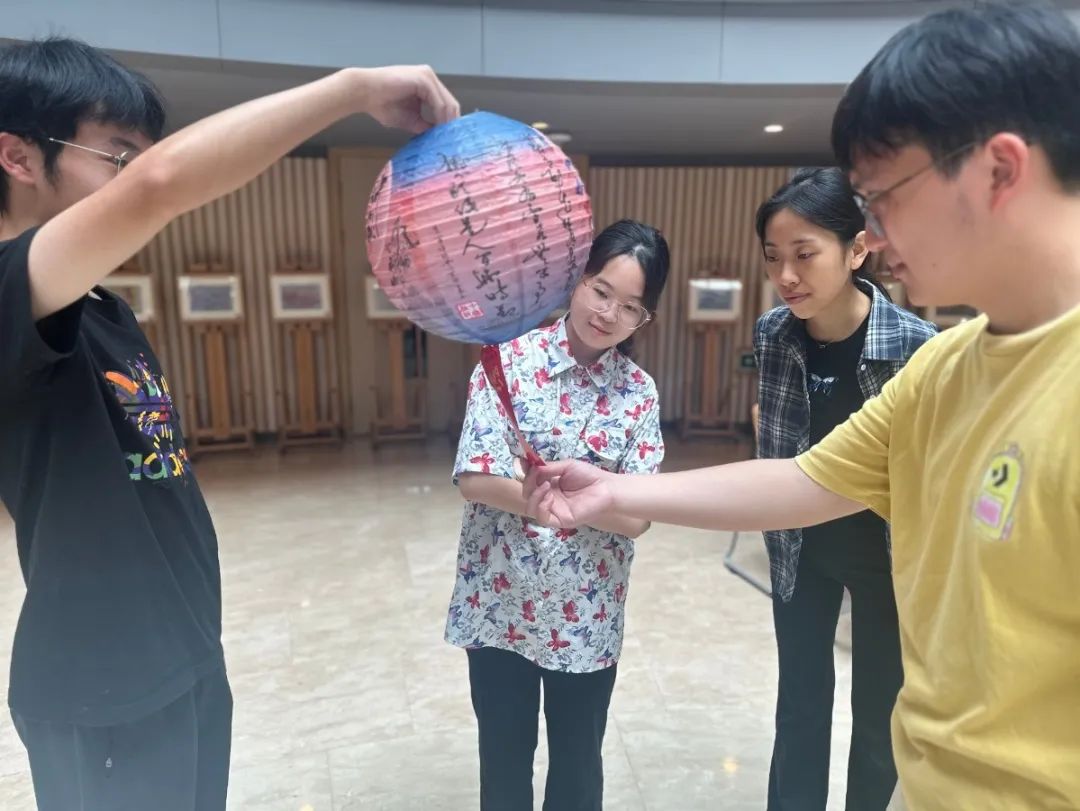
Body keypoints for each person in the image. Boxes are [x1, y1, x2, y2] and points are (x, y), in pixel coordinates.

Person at [524, 3, 1080, 808]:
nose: (874, 234)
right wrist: (613, 489)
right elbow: (804, 478)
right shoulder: (946, 368)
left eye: (884, 198)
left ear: (998, 170)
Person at [0, 37, 458, 811]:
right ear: (17, 156)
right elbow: (163, 184)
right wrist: (352, 87)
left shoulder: (101, 308)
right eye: (117, 157)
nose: (134, 175)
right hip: (104, 688)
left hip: (180, 655)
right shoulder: (9, 293)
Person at [447, 220, 669, 811]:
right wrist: (550, 505)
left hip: (587, 613)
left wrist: (586, 503)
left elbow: (639, 515)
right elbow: (474, 477)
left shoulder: (639, 394)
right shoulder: (507, 362)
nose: (609, 314)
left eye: (631, 307)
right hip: (500, 604)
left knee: (577, 768)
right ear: (578, 278)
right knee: (503, 765)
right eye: (601, 290)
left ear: (644, 317)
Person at [753, 167, 935, 811]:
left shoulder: (916, 347)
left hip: (888, 557)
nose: (786, 276)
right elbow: (777, 448)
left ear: (857, 250)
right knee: (799, 707)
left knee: (882, 716)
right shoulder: (773, 333)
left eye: (804, 255)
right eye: (773, 256)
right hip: (799, 549)